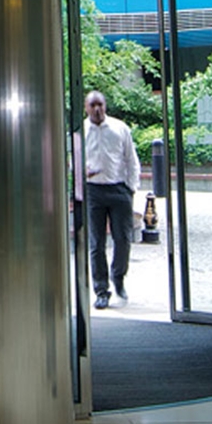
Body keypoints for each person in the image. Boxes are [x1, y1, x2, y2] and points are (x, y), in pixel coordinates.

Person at [83, 90, 140, 309]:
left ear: (105, 106)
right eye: (93, 106)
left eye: (100, 105)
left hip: (118, 189)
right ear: (86, 108)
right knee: (96, 243)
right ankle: (101, 289)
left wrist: (130, 188)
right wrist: (81, 173)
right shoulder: (80, 131)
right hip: (93, 191)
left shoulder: (120, 128)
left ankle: (119, 276)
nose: (97, 110)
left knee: (123, 239)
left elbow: (131, 159)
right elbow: (73, 160)